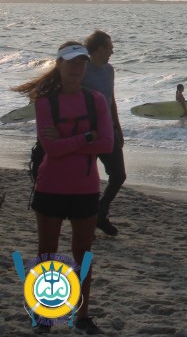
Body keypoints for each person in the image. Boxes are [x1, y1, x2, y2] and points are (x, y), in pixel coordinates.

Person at [12, 42, 113, 335]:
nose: (77, 67)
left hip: (85, 188)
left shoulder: (95, 101)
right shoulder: (46, 103)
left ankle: (83, 315)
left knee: (83, 255)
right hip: (51, 186)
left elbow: (107, 144)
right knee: (47, 254)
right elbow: (51, 149)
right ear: (59, 64)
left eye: (81, 62)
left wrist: (69, 140)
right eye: (71, 62)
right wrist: (87, 137)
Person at [82, 30, 126, 237]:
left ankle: (100, 213)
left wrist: (118, 128)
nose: (112, 52)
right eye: (110, 48)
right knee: (86, 178)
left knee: (118, 175)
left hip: (108, 130)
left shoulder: (109, 70)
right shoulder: (82, 70)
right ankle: (88, 219)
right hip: (86, 133)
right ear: (99, 49)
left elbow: (111, 100)